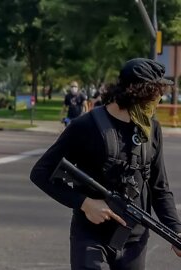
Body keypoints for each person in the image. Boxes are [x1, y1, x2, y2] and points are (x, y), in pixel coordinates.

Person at [30, 58, 181, 269]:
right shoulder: (85, 126)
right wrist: (85, 203)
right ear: (136, 91)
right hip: (90, 236)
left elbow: (159, 188)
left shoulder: (151, 129)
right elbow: (40, 172)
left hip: (134, 240)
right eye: (155, 93)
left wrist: (176, 231)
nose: (159, 100)